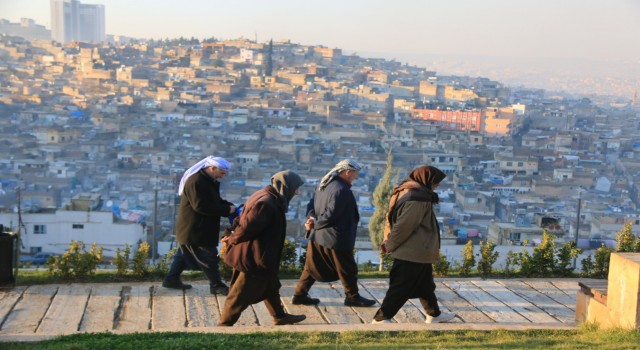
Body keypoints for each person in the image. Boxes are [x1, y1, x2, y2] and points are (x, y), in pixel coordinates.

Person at [218, 170, 306, 326]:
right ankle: (224, 324)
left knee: (271, 285)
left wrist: (230, 233)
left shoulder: (263, 196)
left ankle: (279, 316)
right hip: (254, 257)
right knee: (239, 294)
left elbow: (240, 218)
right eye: (295, 188)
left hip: (261, 255)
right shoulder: (266, 203)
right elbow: (246, 228)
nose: (297, 193)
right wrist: (231, 238)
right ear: (285, 187)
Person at [372, 165, 456, 324]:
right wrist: (390, 244)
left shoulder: (405, 190)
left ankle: (434, 314)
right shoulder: (418, 198)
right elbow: (405, 226)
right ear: (426, 180)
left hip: (417, 250)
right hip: (412, 251)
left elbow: (390, 217)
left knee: (426, 285)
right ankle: (381, 318)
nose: (437, 185)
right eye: (435, 182)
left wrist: (387, 239)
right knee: (400, 287)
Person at [291, 159, 376, 307]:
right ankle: (352, 297)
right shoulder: (341, 190)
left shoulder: (323, 184)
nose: (356, 177)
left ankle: (300, 295)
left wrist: (311, 219)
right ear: (347, 172)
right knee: (348, 268)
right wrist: (315, 222)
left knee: (311, 267)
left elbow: (312, 205)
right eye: (355, 174)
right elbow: (331, 216)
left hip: (317, 236)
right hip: (335, 238)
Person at [162, 156, 236, 295]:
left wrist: (227, 205)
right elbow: (200, 206)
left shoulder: (207, 181)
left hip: (195, 228)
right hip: (196, 229)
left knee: (183, 255)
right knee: (209, 258)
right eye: (222, 172)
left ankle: (171, 279)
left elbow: (214, 200)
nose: (223, 176)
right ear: (212, 168)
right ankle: (216, 285)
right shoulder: (196, 181)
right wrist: (226, 210)